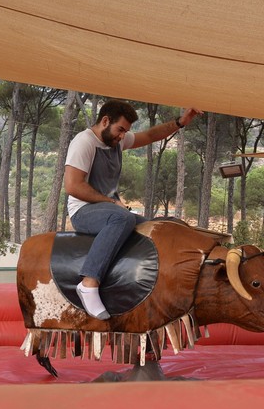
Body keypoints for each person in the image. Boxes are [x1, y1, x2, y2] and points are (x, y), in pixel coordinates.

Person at [64, 99, 202, 320]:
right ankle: (89, 283)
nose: (122, 136)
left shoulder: (115, 141)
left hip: (111, 211)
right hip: (84, 212)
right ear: (105, 120)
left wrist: (180, 122)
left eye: (125, 132)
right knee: (123, 218)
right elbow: (72, 186)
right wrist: (110, 203)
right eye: (120, 130)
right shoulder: (84, 142)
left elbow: (148, 136)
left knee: (161, 226)